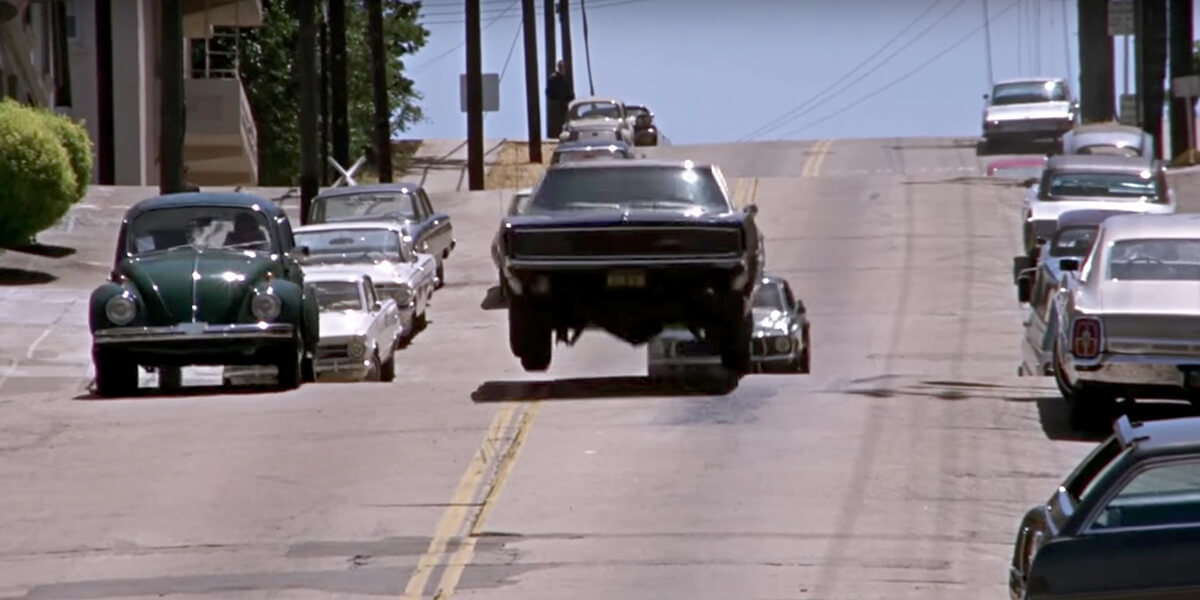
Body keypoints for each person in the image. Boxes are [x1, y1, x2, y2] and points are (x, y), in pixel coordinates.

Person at [545, 60, 574, 137]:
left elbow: (569, 94)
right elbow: (549, 92)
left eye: (563, 67)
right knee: (557, 124)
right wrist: (554, 100)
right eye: (560, 67)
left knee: (563, 123)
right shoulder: (553, 79)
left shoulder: (564, 80)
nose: (562, 69)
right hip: (556, 106)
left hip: (563, 106)